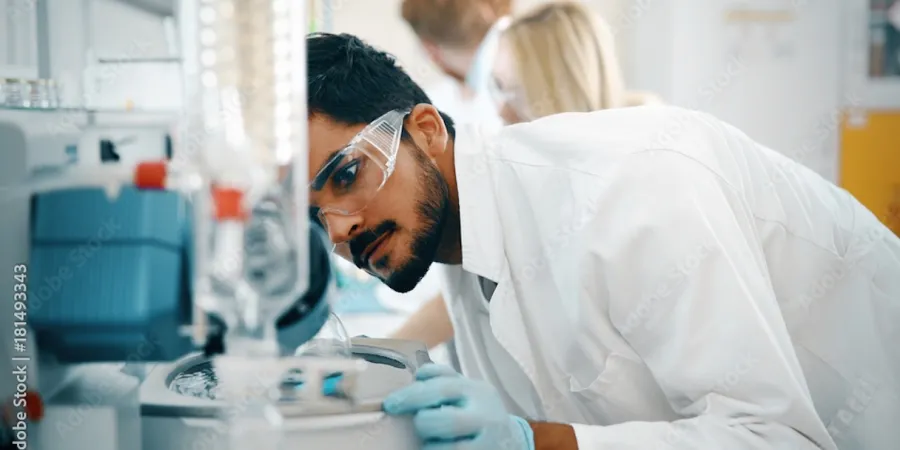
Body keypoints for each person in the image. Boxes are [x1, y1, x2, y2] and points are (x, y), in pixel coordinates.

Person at [305, 32, 900, 450]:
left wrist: (531, 442)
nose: (339, 229)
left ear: (428, 131)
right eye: (314, 217)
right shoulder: (462, 252)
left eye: (348, 174)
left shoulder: (629, 185)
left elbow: (775, 439)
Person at [392, 1, 662, 348]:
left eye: (510, 89)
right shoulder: (549, 173)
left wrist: (383, 354)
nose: (501, 108)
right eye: (497, 88)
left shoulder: (624, 186)